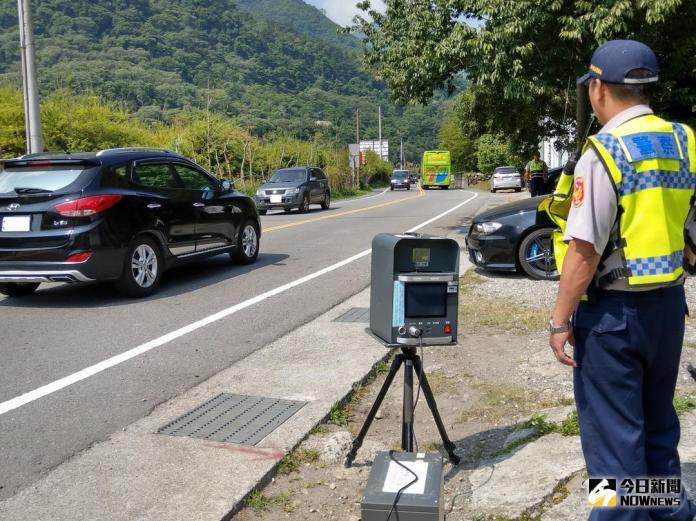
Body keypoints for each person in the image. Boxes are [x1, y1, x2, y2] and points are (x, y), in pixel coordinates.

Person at [547, 40, 696, 520]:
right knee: (656, 425)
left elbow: (583, 252)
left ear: (597, 89)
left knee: (615, 439)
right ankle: (669, 513)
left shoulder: (604, 151)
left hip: (614, 316)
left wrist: (558, 320)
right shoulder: (684, 140)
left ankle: (617, 517)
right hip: (668, 309)